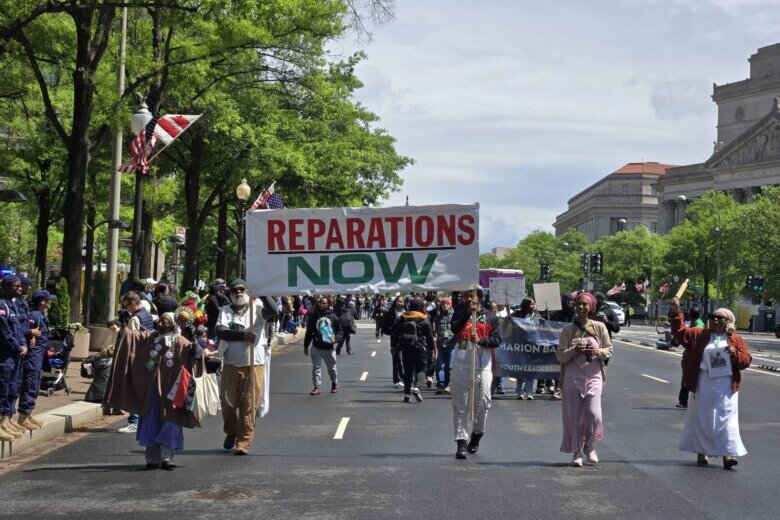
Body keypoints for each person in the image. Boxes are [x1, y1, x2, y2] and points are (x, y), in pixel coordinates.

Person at [104, 312, 202, 469]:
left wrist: (195, 341)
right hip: (151, 391)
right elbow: (130, 337)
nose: (160, 324)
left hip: (171, 391)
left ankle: (167, 458)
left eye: (165, 322)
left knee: (170, 421)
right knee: (151, 421)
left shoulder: (180, 341)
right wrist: (123, 326)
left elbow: (196, 356)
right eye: (160, 321)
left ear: (173, 325)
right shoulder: (149, 337)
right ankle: (152, 459)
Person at [669, 298, 751, 469]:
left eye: (720, 318)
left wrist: (734, 353)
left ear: (728, 321)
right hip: (703, 383)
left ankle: (728, 454)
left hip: (726, 385)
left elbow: (745, 362)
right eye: (713, 316)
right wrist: (676, 312)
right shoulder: (699, 335)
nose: (715, 320)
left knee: (726, 420)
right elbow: (679, 332)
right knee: (703, 418)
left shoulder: (736, 339)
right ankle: (702, 451)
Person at [216, 279, 279, 455]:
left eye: (241, 288)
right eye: (234, 289)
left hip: (254, 365)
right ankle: (232, 431)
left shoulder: (258, 307)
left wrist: (262, 292)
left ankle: (244, 442)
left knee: (248, 405)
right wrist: (243, 336)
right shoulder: (226, 310)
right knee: (227, 404)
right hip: (230, 365)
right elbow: (221, 331)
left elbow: (273, 311)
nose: (238, 292)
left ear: (248, 290)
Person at [556, 292, 613, 467]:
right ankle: (576, 452)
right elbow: (560, 356)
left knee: (593, 413)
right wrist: (574, 350)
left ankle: (589, 444)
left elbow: (609, 349)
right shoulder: (568, 330)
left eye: (585, 304)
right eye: (578, 304)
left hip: (594, 376)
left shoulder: (599, 327)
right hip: (572, 378)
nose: (581, 307)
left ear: (591, 307)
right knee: (573, 416)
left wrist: (598, 352)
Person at [450, 288, 501, 459]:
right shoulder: (459, 313)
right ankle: (461, 441)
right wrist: (468, 314)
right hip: (462, 361)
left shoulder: (491, 316)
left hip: (483, 362)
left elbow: (497, 340)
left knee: (484, 400)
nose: (466, 298)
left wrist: (482, 340)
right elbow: (454, 330)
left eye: (470, 296)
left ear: (479, 298)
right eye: (465, 296)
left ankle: (477, 433)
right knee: (460, 404)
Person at [16, 290, 55, 430]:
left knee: (35, 386)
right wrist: (30, 334)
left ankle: (28, 414)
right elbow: (24, 330)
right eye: (49, 299)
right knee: (29, 386)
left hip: (38, 358)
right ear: (42, 302)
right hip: (32, 359)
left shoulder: (41, 315)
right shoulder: (34, 315)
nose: (50, 302)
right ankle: (22, 417)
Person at [117, 291, 155, 433]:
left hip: (136, 357)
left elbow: (130, 340)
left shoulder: (135, 319)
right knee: (143, 390)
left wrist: (119, 329)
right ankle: (142, 420)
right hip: (148, 356)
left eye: (127, 306)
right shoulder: (148, 315)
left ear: (133, 303)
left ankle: (134, 421)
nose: (126, 309)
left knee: (133, 388)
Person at [0, 275, 28, 441]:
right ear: (7, 287)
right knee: (3, 390)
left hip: (16, 356)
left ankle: (7, 419)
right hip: (5, 356)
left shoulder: (14, 306)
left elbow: (19, 329)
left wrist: (23, 344)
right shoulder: (2, 307)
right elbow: (5, 333)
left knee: (12, 388)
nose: (20, 288)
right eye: (16, 286)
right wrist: (18, 347)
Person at [393, 297, 434, 403]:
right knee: (422, 369)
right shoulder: (425, 318)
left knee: (408, 370)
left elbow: (395, 332)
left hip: (406, 347)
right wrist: (432, 347)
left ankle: (407, 395)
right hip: (420, 347)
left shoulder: (403, 317)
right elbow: (429, 335)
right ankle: (417, 387)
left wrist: (394, 346)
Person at [303, 296, 343, 396]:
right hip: (316, 347)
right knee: (316, 368)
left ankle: (334, 383)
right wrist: (305, 346)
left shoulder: (333, 317)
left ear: (328, 304)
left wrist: (335, 340)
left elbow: (339, 332)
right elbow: (309, 332)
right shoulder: (314, 316)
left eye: (324, 303)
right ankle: (317, 386)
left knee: (331, 369)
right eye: (320, 302)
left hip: (328, 348)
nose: (321, 304)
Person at [514, 298, 541, 401]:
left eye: (534, 304)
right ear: (526, 305)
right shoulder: (518, 314)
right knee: (520, 369)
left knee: (531, 369)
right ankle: (519, 391)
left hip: (533, 346)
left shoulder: (538, 315)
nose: (533, 306)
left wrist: (544, 321)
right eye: (531, 304)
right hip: (520, 345)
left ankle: (529, 391)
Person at [676, 308, 704, 409]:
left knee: (687, 378)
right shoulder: (697, 323)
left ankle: (683, 401)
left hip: (692, 355)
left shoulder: (697, 326)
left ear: (691, 316)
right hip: (693, 354)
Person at [382, 295, 406, 388]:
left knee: (404, 360)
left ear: (403, 303)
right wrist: (391, 332)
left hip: (406, 340)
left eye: (401, 301)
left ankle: (406, 378)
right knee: (397, 360)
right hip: (395, 340)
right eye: (398, 301)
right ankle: (398, 380)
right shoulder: (390, 313)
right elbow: (384, 328)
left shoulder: (407, 313)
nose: (399, 303)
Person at [433, 297, 455, 394]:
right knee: (440, 366)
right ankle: (440, 385)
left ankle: (448, 385)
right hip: (441, 344)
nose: (445, 306)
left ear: (450, 305)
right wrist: (435, 337)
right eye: (443, 304)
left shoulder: (454, 316)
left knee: (449, 366)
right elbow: (434, 330)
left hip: (451, 344)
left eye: (447, 304)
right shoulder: (437, 317)